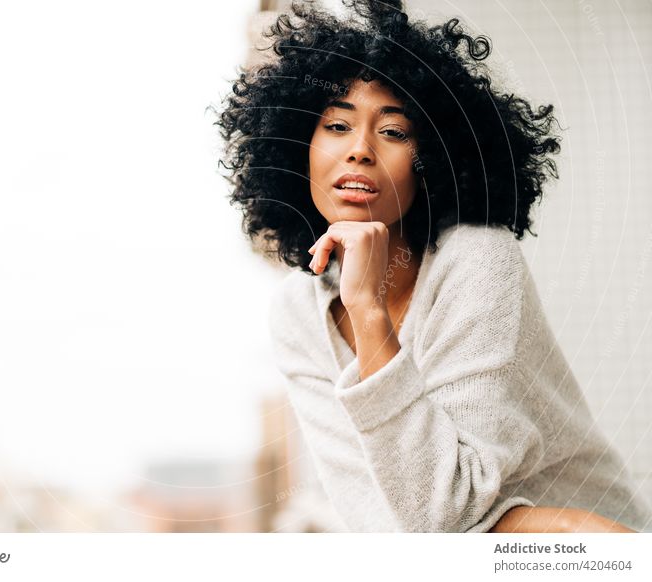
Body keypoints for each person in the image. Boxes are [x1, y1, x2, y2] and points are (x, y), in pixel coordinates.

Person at [215, 0, 652, 532]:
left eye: (394, 131)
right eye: (335, 125)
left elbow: (442, 516)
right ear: (297, 148)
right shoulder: (294, 311)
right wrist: (533, 522)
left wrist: (368, 311)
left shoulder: (477, 261)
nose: (360, 150)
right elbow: (384, 522)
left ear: (432, 162)